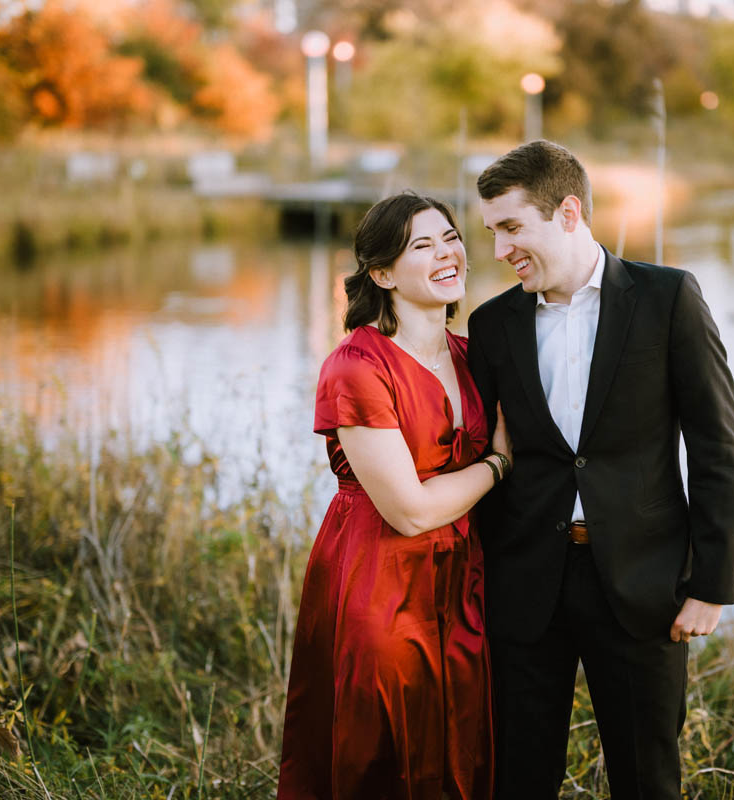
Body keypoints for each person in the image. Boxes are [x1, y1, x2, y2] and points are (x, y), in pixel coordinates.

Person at [467, 140, 734, 799]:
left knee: (647, 781)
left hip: (643, 586)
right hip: (526, 587)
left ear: (568, 213)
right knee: (517, 780)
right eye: (493, 232)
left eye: (512, 228)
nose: (500, 250)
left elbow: (716, 447)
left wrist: (711, 585)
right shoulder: (491, 324)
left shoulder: (668, 298)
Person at [277, 192, 511, 800]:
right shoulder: (357, 366)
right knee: (381, 752)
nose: (447, 254)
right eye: (422, 246)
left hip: (465, 581)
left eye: (451, 238)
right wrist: (499, 462)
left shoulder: (472, 356)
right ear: (382, 274)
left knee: (461, 743)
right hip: (381, 582)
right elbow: (409, 512)